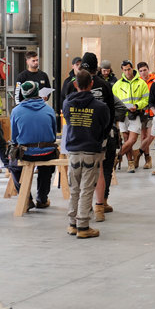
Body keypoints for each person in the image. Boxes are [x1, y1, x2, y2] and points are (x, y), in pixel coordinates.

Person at [62, 69, 111, 239]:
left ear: (75, 85)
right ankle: (83, 226)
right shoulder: (100, 107)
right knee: (87, 189)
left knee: (74, 188)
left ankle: (72, 224)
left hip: (73, 151)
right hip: (92, 150)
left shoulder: (67, 104)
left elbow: (68, 122)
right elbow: (105, 126)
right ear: (91, 84)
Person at [80, 52, 118, 220]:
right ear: (97, 67)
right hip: (101, 134)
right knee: (103, 169)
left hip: (80, 136)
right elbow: (111, 110)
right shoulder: (104, 85)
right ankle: (100, 206)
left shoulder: (73, 84)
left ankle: (85, 205)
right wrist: (106, 132)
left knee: (82, 171)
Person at [9, 81, 58, 209]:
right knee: (46, 168)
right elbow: (53, 134)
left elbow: (14, 138)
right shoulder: (49, 109)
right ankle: (42, 199)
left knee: (13, 166)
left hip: (26, 153)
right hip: (47, 152)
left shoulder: (16, 111)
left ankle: (26, 198)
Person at [112, 59, 148, 173]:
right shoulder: (117, 85)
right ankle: (130, 163)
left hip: (135, 114)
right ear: (122, 70)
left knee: (132, 140)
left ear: (132, 68)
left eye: (129, 69)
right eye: (125, 70)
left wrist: (137, 106)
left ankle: (117, 156)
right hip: (123, 115)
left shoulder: (141, 83)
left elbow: (146, 99)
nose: (127, 72)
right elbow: (113, 100)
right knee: (126, 139)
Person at [136, 61, 155, 171]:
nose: (143, 72)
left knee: (151, 136)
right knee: (143, 137)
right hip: (142, 112)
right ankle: (147, 159)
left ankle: (138, 152)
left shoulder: (154, 81)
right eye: (141, 71)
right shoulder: (138, 82)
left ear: (148, 69)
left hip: (153, 112)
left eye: (145, 70)